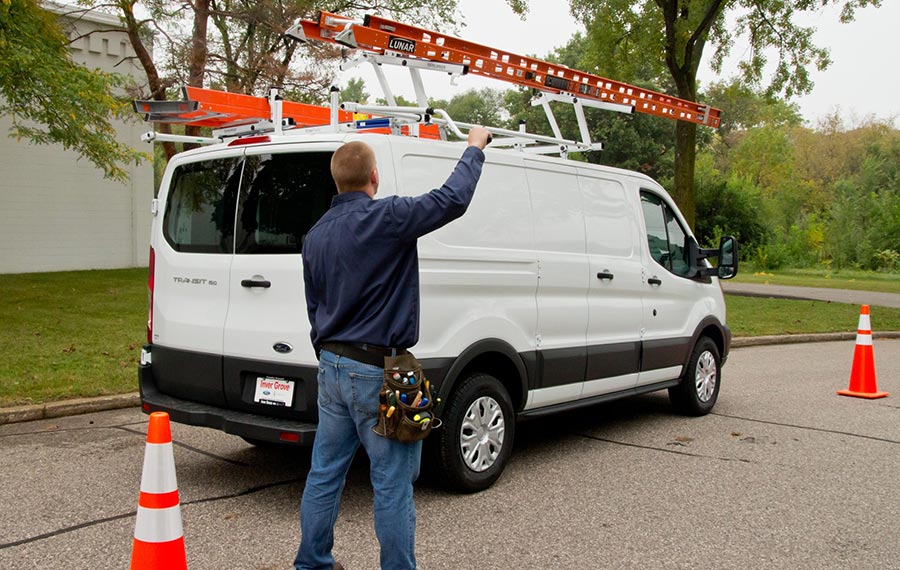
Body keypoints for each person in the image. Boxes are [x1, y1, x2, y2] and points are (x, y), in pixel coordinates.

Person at [294, 126, 492, 570]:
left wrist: (329, 357)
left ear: (337, 181)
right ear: (374, 177)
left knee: (325, 474)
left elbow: (314, 307)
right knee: (393, 482)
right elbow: (451, 199)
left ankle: (311, 564)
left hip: (332, 365)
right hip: (388, 369)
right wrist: (474, 148)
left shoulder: (315, 236)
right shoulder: (387, 217)